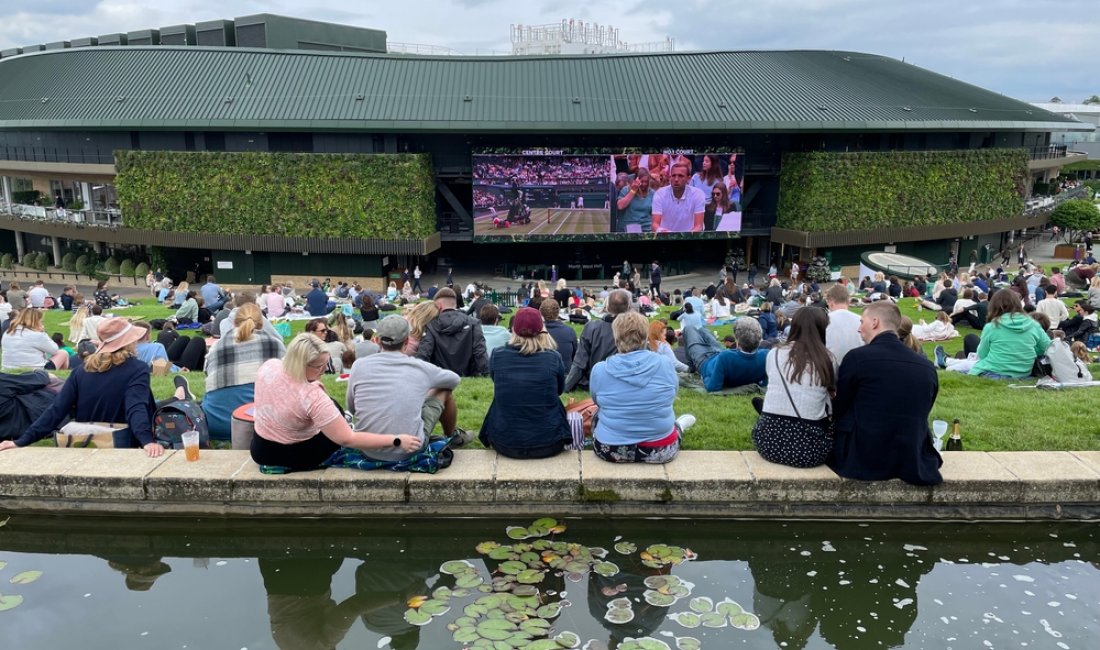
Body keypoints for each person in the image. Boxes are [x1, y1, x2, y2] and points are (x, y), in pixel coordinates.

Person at [251, 333, 423, 472]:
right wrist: (397, 440)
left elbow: (282, 393)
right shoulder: (312, 397)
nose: (325, 370)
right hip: (296, 454)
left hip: (260, 448)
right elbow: (349, 439)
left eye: (326, 364)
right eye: (320, 366)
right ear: (303, 364)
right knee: (337, 418)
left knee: (331, 405)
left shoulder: (269, 366)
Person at [1, 318, 164, 456]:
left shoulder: (82, 370)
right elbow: (136, 406)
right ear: (129, 341)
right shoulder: (137, 368)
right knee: (164, 405)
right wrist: (147, 441)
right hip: (121, 440)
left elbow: (56, 410)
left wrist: (22, 441)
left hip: (86, 442)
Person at [827, 302, 942, 485]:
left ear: (874, 322)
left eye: (862, 321)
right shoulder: (926, 367)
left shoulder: (857, 358)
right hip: (911, 458)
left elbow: (840, 408)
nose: (858, 328)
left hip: (862, 457)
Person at [346, 316, 465, 462]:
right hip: (409, 450)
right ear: (407, 342)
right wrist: (423, 389)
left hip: (368, 449)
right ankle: (452, 436)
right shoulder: (420, 368)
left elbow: (352, 408)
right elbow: (454, 380)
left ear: (377, 340)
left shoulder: (359, 365)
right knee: (444, 390)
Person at [590, 311, 690, 463]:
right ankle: (678, 427)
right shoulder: (665, 364)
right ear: (645, 336)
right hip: (661, 449)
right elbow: (672, 394)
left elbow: (597, 402)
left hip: (610, 449)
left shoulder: (600, 369)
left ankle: (677, 426)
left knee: (598, 412)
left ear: (616, 336)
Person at [478, 308, 571, 458]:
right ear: (542, 329)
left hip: (504, 442)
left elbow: (498, 383)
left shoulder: (498, 355)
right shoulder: (553, 358)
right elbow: (560, 390)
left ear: (513, 328)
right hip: (549, 442)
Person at [751, 308, 836, 468]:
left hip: (768, 443)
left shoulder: (774, 353)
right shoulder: (827, 359)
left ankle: (766, 409)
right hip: (810, 450)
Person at [203, 303, 286, 441]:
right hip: (263, 425)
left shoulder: (217, 346)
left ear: (234, 322)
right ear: (262, 323)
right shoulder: (276, 345)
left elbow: (209, 377)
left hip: (216, 423)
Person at [564, 288, 632, 391]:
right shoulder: (593, 327)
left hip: (601, 381)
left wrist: (566, 386)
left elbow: (580, 363)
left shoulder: (632, 330)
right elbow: (580, 363)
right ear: (628, 307)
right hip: (616, 382)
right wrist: (566, 387)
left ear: (607, 307)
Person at [416, 287, 489, 377]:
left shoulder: (430, 325)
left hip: (439, 376)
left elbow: (424, 352)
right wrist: (487, 374)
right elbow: (480, 351)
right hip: (468, 374)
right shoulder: (473, 322)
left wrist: (416, 374)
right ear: (455, 303)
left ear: (438, 306)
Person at [682, 318, 768, 392]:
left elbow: (712, 387)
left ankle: (691, 368)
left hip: (705, 361)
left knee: (689, 328)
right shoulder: (766, 355)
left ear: (737, 340)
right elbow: (764, 382)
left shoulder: (726, 357)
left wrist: (706, 376)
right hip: (719, 353)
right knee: (702, 330)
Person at [2, 308, 69, 370]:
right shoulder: (37, 335)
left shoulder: (8, 333)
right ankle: (62, 375)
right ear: (36, 321)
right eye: (41, 321)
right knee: (63, 353)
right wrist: (44, 333)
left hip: (8, 368)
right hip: (34, 370)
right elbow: (54, 350)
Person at [651, 161, 706, 233]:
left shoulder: (698, 194)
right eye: (673, 176)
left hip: (690, 238)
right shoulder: (659, 194)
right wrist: (661, 230)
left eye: (680, 176)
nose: (676, 179)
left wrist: (686, 237)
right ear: (670, 177)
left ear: (688, 179)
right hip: (666, 237)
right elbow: (655, 224)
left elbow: (699, 226)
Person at [824, 284, 862, 364]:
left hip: (830, 368)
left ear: (830, 303)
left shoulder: (823, 320)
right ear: (848, 301)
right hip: (858, 366)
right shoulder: (861, 320)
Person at [540, 300, 577, 371]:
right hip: (563, 374)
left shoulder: (537, 332)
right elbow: (576, 355)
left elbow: (575, 355)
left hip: (562, 374)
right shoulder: (569, 331)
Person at [617, 167, 653, 233]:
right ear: (636, 179)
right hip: (629, 227)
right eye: (642, 181)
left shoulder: (652, 193)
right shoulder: (626, 190)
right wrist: (633, 191)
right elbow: (620, 206)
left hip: (647, 228)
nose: (644, 184)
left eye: (646, 182)